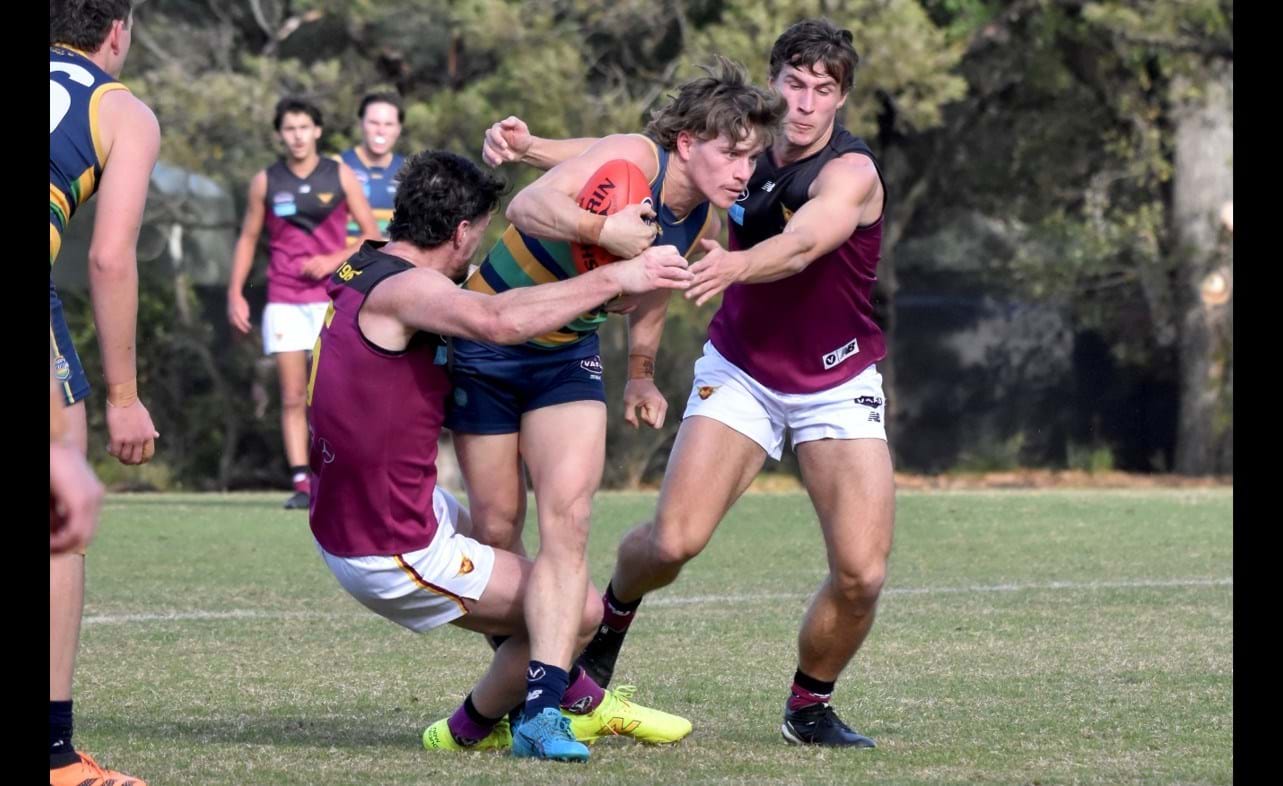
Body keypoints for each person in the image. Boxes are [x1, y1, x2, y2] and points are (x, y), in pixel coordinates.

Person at [482, 18, 892, 748]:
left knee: (860, 574)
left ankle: (808, 706)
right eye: (792, 84)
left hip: (835, 379)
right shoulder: (742, 147)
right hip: (740, 369)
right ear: (773, 85)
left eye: (821, 90)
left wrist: (737, 262)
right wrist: (533, 148)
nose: (802, 103)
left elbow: (801, 243)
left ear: (841, 100)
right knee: (671, 543)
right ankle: (606, 621)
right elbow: (643, 155)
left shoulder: (849, 173)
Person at [306, 150, 694, 762]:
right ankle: (476, 723)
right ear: (461, 232)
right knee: (580, 611)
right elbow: (493, 319)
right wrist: (617, 277)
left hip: (371, 509)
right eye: (479, 236)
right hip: (388, 545)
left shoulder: (368, 263)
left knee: (528, 559)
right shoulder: (408, 291)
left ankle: (575, 697)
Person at [446, 58, 785, 735]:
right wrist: (605, 233)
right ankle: (550, 685)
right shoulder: (632, 159)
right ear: (688, 142)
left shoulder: (703, 222)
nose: (745, 171)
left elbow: (655, 286)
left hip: (566, 359)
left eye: (753, 157)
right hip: (487, 340)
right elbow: (526, 206)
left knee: (567, 524)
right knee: (495, 529)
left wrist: (638, 370)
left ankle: (540, 710)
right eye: (733, 153)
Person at [50, 1, 160, 782]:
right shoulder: (118, 107)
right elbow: (110, 259)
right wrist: (123, 396)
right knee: (61, 512)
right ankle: (54, 754)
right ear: (115, 31)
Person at [226, 97, 381, 509]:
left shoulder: (340, 174)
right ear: (280, 135)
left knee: (337, 392)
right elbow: (247, 239)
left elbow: (371, 235)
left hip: (331, 298)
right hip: (283, 300)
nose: (297, 136)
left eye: (303, 127)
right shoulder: (266, 181)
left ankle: (345, 474)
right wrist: (235, 292)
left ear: (317, 131)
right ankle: (301, 484)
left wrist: (333, 260)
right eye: (289, 129)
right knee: (293, 395)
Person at [335, 91, 405, 242]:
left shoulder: (411, 172)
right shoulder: (337, 166)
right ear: (361, 124)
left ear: (398, 129)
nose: (381, 131)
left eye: (388, 124)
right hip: (346, 263)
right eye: (374, 123)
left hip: (394, 263)